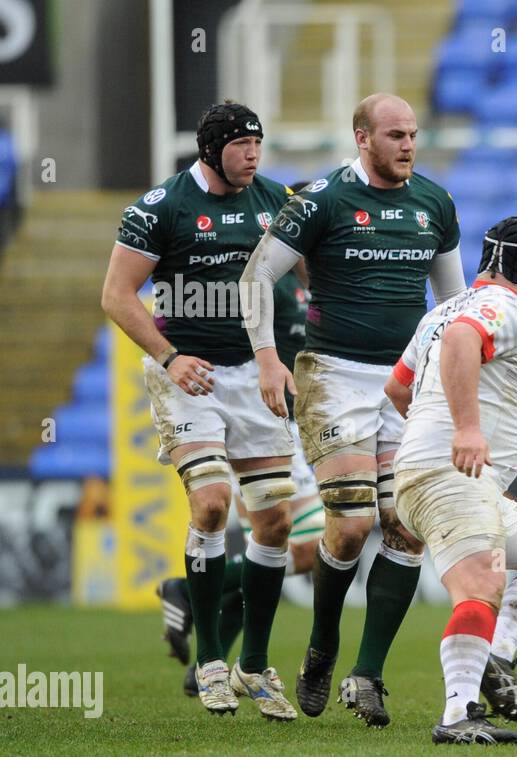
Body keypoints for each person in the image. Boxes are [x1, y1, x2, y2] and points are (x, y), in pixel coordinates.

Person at [240, 93, 465, 727]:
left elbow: (453, 307)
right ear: (362, 137)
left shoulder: (435, 203)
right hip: (334, 376)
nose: (408, 145)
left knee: (408, 525)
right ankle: (322, 646)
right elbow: (257, 275)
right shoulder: (319, 200)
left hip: (405, 382)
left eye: (414, 134)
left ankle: (366, 673)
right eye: (395, 135)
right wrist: (265, 357)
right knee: (353, 525)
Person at [103, 101, 297, 718]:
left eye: (258, 145)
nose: (252, 156)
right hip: (191, 376)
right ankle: (211, 660)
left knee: (275, 523)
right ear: (212, 150)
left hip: (256, 373)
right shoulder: (161, 207)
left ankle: (255, 666)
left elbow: (311, 272)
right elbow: (116, 295)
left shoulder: (278, 200)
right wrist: (169, 357)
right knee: (212, 503)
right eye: (242, 145)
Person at [386, 217, 517, 744]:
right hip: (452, 474)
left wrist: (430, 442)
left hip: (436, 475)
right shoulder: (510, 309)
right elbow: (462, 340)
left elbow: (397, 387)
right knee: (481, 586)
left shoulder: (443, 309)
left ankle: (495, 653)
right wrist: (467, 429)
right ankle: (457, 715)